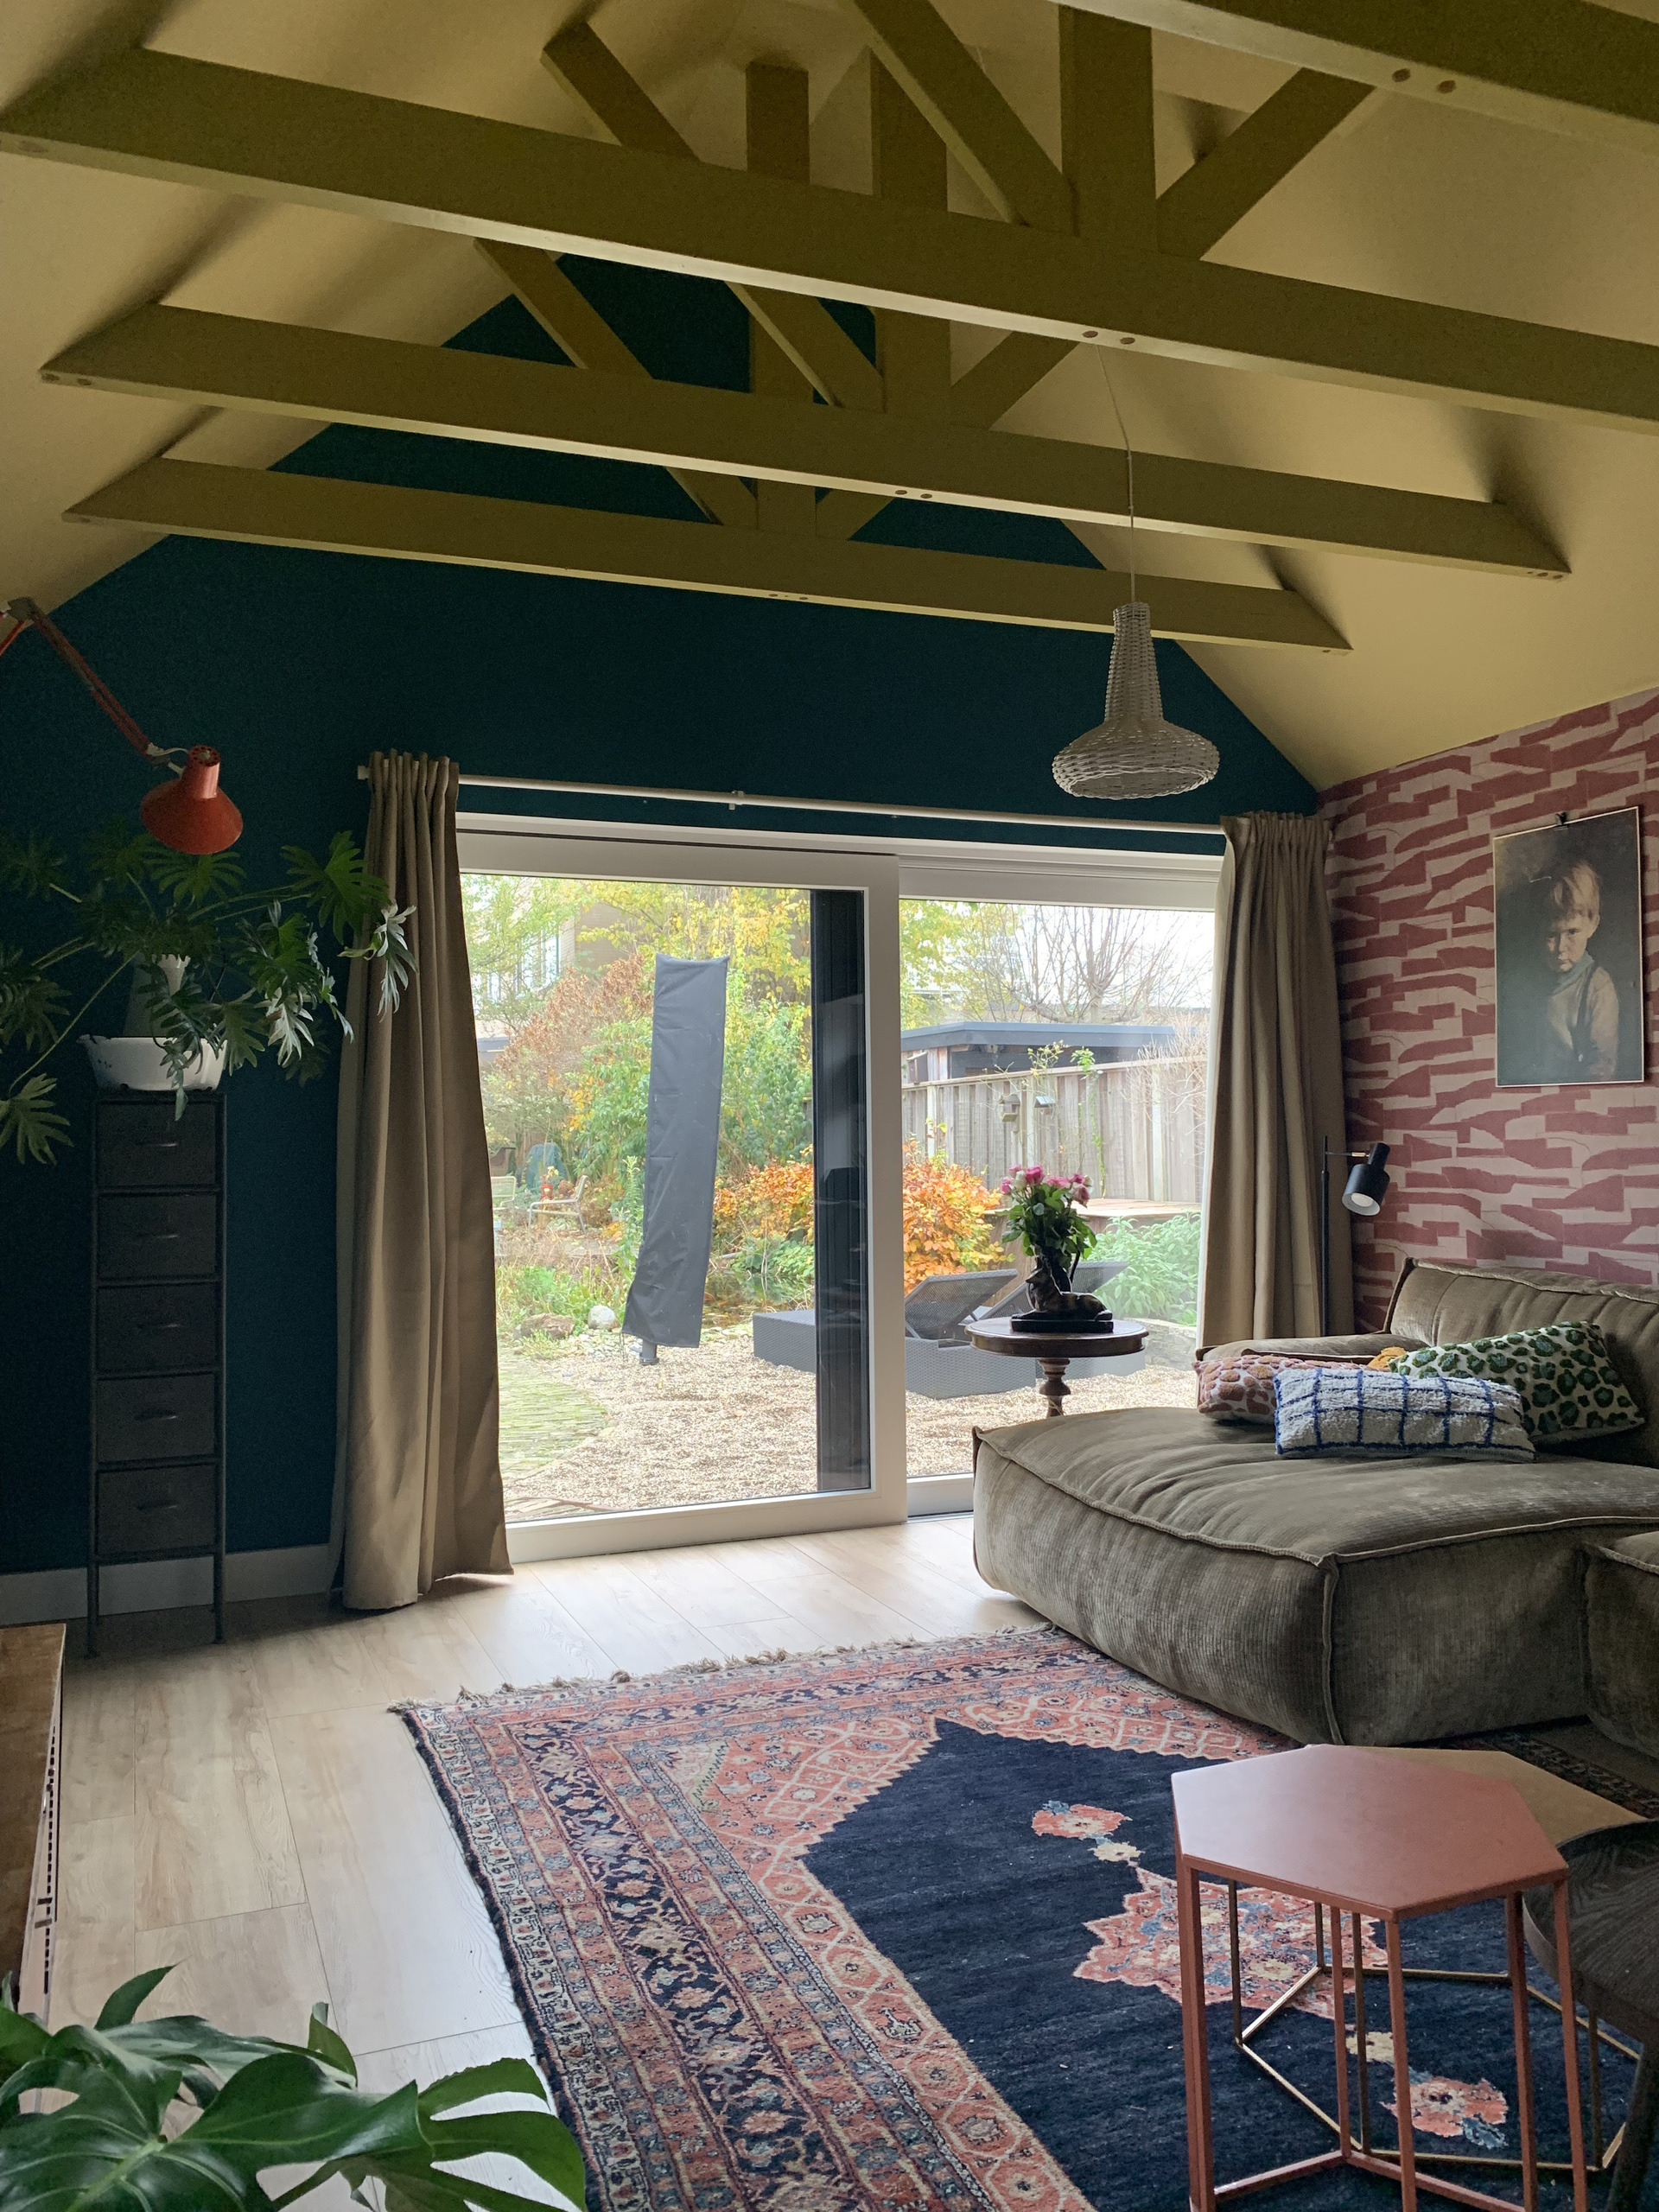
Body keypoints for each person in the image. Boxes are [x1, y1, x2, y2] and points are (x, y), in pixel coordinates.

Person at [1523, 861, 1619, 1082]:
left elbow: (1602, 1066)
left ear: (1593, 924)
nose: (1560, 948)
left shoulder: (1598, 987)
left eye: (1572, 932)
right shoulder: (1533, 981)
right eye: (1551, 935)